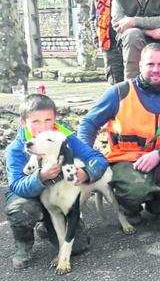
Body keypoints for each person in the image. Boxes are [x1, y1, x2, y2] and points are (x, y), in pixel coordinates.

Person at [79, 43, 160, 224]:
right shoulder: (119, 92)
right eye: (150, 64)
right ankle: (128, 207)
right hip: (126, 159)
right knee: (136, 191)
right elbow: (88, 123)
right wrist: (86, 157)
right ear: (140, 66)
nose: (155, 70)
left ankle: (159, 203)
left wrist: (159, 155)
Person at [6, 94, 109, 268]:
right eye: (35, 121)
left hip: (56, 197)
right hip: (29, 196)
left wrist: (87, 172)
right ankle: (23, 245)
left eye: (48, 120)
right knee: (21, 209)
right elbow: (16, 186)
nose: (43, 127)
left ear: (55, 119)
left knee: (78, 247)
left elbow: (97, 158)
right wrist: (40, 177)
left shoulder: (62, 139)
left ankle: (47, 226)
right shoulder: (16, 149)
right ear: (23, 123)